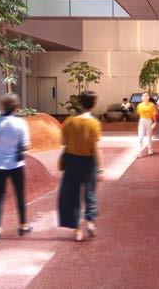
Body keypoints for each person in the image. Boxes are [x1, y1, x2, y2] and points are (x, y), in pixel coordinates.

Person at [59, 90, 105, 241]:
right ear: (93, 105)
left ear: (80, 103)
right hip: (89, 162)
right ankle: (90, 223)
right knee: (90, 193)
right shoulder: (94, 123)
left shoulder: (69, 122)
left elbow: (63, 143)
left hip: (72, 162)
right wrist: (101, 169)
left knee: (73, 195)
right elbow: (96, 148)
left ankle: (78, 231)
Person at [0, 93, 31, 241]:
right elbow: (26, 145)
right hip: (15, 164)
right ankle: (23, 225)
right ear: (16, 106)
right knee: (20, 195)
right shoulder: (21, 123)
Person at [136, 92, 156, 157]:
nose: (145, 97)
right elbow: (138, 114)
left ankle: (150, 149)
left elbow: (153, 114)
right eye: (144, 96)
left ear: (149, 97)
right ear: (142, 98)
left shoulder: (152, 105)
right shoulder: (139, 105)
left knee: (149, 136)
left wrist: (155, 122)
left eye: (147, 95)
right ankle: (139, 151)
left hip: (149, 121)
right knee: (140, 137)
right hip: (142, 121)